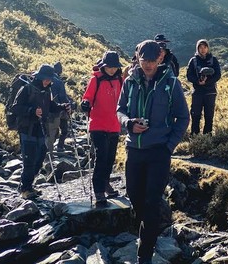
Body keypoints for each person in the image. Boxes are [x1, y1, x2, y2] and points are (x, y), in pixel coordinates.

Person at [117, 40, 190, 264]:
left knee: (152, 200)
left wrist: (169, 146)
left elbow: (183, 117)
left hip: (159, 152)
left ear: (159, 58)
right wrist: (129, 123)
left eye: (152, 60)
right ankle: (148, 232)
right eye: (143, 59)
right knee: (134, 196)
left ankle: (145, 253)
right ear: (137, 58)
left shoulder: (170, 82)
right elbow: (120, 110)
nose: (147, 64)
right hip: (135, 150)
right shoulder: (130, 81)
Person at [11, 64, 71, 199]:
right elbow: (15, 108)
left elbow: (50, 107)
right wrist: (31, 111)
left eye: (49, 79)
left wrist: (62, 107)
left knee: (40, 158)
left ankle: (29, 185)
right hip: (27, 129)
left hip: (40, 129)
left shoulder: (47, 91)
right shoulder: (26, 89)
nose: (47, 81)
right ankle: (25, 189)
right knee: (29, 160)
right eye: (45, 79)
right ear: (39, 77)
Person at [80, 51, 124, 206]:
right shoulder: (96, 79)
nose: (112, 70)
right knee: (102, 156)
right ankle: (99, 190)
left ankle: (106, 184)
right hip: (98, 125)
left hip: (114, 125)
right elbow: (88, 96)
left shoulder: (120, 79)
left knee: (110, 157)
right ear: (103, 66)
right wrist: (85, 103)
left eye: (114, 67)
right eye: (109, 67)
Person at [186, 39, 221, 135]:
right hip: (197, 92)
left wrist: (207, 82)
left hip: (210, 92)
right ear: (197, 48)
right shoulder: (193, 61)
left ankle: (207, 135)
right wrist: (198, 81)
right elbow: (189, 75)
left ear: (208, 48)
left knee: (209, 115)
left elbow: (218, 75)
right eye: (200, 47)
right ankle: (194, 135)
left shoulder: (213, 60)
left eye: (205, 47)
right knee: (195, 114)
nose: (203, 49)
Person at [48, 62, 72, 153]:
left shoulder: (47, 79)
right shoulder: (59, 82)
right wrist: (68, 105)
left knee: (51, 132)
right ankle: (60, 146)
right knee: (64, 129)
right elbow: (63, 97)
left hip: (48, 110)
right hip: (59, 109)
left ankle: (48, 152)